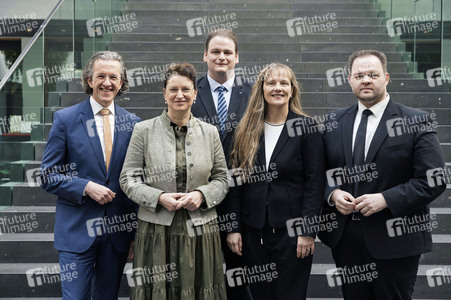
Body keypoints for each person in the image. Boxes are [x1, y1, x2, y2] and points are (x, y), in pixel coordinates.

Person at [318, 49, 446, 299]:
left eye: (373, 74)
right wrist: (332, 194)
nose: (366, 80)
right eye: (359, 75)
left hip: (396, 236)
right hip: (346, 240)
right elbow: (316, 174)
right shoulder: (333, 122)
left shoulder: (416, 121)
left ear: (386, 78)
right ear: (350, 80)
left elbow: (434, 179)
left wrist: (386, 199)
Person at [120, 63, 229, 299]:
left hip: (200, 229)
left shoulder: (210, 132)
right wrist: (158, 197)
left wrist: (202, 195)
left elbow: (222, 177)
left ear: (195, 93)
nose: (180, 95)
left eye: (186, 89)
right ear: (164, 93)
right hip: (156, 230)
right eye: (173, 89)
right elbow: (128, 178)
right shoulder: (143, 130)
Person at [40, 51, 141, 299]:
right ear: (88, 80)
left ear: (121, 82)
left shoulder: (134, 124)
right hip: (76, 231)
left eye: (113, 77)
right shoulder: (65, 119)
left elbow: (136, 182)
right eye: (101, 76)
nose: (107, 82)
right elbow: (48, 175)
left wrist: (134, 235)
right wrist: (85, 186)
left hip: (116, 233)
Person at [226, 63, 326, 299]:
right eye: (271, 83)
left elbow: (315, 183)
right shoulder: (244, 130)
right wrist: (233, 229)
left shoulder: (307, 129)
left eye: (284, 83)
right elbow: (235, 184)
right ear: (261, 88)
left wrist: (307, 231)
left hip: (292, 234)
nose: (277, 88)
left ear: (292, 90)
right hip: (253, 232)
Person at [191, 29, 252, 300]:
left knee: (240, 277)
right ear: (205, 55)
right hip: (200, 196)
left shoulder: (254, 92)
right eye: (215, 51)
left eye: (228, 52)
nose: (221, 57)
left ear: (237, 57)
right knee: (199, 274)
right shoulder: (189, 91)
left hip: (244, 195)